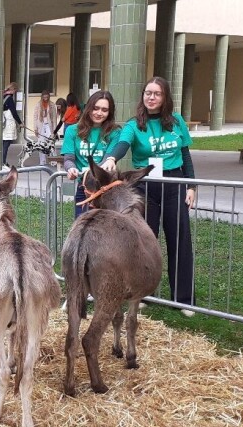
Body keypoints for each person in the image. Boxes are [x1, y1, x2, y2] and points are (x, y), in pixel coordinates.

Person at [101, 76, 197, 317]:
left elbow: (185, 155)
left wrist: (192, 186)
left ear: (165, 98)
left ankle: (183, 299)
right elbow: (122, 144)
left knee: (179, 239)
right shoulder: (134, 125)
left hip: (174, 183)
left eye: (157, 93)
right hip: (144, 187)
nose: (151, 97)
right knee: (144, 241)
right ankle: (142, 293)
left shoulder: (177, 123)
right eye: (147, 93)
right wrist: (112, 158)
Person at [61, 90, 121, 218]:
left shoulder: (115, 132)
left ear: (109, 112)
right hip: (84, 189)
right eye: (96, 108)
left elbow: (107, 160)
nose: (99, 113)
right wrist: (71, 168)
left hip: (107, 190)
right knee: (82, 229)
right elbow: (68, 159)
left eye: (104, 110)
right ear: (88, 108)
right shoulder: (72, 130)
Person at [1, 82, 23, 170]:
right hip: (8, 123)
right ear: (13, 89)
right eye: (15, 90)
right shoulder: (9, 98)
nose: (15, 92)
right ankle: (2, 162)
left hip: (3, 122)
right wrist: (20, 123)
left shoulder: (3, 96)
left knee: (4, 144)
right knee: (6, 144)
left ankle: (3, 161)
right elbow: (14, 112)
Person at [32, 90, 57, 165]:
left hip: (49, 126)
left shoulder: (52, 105)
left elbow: (54, 118)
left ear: (49, 96)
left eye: (47, 97)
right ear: (42, 97)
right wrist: (35, 128)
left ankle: (54, 160)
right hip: (41, 125)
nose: (45, 98)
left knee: (51, 143)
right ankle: (42, 161)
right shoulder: (38, 105)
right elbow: (35, 117)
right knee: (41, 143)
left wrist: (54, 130)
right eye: (44, 97)